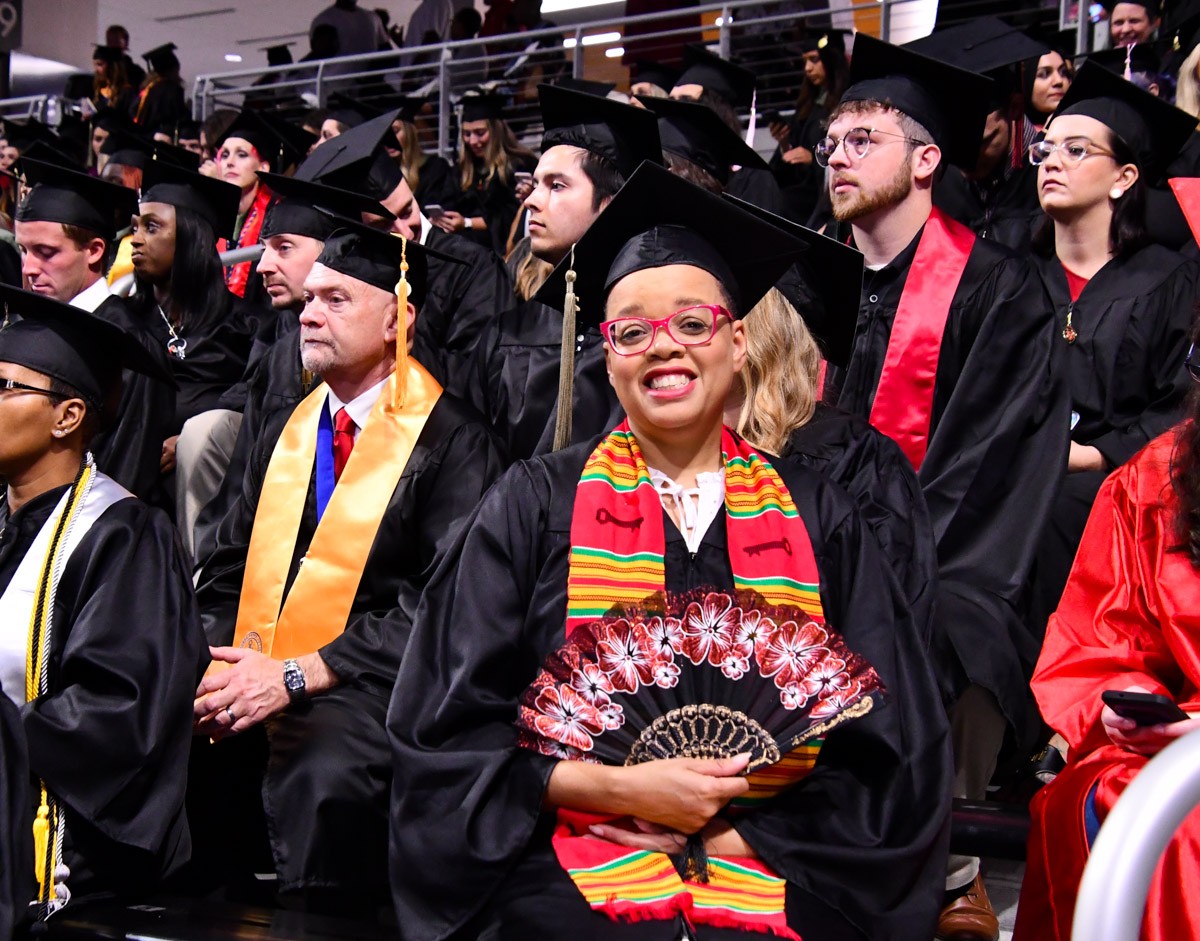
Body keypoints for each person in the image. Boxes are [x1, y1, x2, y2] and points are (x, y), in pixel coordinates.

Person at [389, 161, 952, 941]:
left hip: (787, 853)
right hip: (569, 852)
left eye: (693, 324)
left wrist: (738, 836)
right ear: (607, 351)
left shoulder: (821, 511)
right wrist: (609, 784)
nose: (666, 350)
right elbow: (444, 733)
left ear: (739, 338)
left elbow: (893, 741)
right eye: (632, 331)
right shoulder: (532, 502)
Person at [821, 35, 1070, 940]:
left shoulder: (1002, 290)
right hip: (803, 543)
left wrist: (873, 564)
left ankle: (952, 867)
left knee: (944, 629)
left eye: (866, 139)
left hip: (954, 559)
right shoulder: (807, 285)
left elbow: (986, 469)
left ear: (928, 160)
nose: (839, 155)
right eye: (834, 138)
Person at [191, 217, 502, 915]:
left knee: (324, 763)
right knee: (170, 721)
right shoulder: (285, 426)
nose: (310, 312)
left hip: (377, 679)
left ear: (399, 317)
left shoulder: (456, 442)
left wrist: (306, 671)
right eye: (310, 299)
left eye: (337, 300)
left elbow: (444, 602)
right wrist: (213, 659)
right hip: (261, 658)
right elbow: (226, 560)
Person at [0, 285, 201, 919]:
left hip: (56, 816)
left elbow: (119, 711)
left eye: (6, 386)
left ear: (67, 417)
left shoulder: (126, 535)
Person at [1012, 399, 1200, 941]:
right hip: (1178, 749)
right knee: (1100, 800)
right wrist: (1132, 703)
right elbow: (1103, 641)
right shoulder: (1162, 479)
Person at [1027, 62, 1199, 632]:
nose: (1051, 160)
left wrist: (1096, 454)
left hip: (1122, 484)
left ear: (1124, 177)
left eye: (1076, 150)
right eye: (1046, 148)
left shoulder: (1168, 280)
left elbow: (1179, 405)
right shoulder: (1012, 279)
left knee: (1056, 516)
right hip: (1018, 470)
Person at [190, 172, 396, 570]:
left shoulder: (414, 380)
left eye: (284, 248)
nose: (263, 265)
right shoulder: (281, 358)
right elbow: (238, 503)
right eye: (265, 249)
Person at [470, 84, 661, 461]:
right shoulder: (504, 335)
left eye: (557, 186)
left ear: (610, 205)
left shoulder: (654, 334)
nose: (531, 201)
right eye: (536, 184)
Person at [301, 108, 517, 396]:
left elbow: (480, 377)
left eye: (407, 210)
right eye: (384, 224)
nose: (404, 230)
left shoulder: (473, 267)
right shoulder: (354, 277)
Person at [14, 158, 175, 501]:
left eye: (46, 253)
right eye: (23, 250)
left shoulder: (130, 348)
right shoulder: (23, 328)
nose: (28, 269)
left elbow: (125, 477)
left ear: (94, 251)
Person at [128, 161, 257, 523]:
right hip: (132, 481)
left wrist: (187, 439)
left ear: (190, 237)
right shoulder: (125, 320)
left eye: (151, 227)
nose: (136, 238)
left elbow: (256, 406)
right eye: (136, 226)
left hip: (213, 492)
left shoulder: (247, 325)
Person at [912, 19, 1052, 251]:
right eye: (954, 145)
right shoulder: (939, 180)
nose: (965, 160)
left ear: (1015, 107)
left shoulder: (1050, 172)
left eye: (981, 143)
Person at [671, 44, 790, 218]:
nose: (674, 110)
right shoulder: (668, 165)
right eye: (672, 100)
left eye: (686, 101)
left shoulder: (752, 178)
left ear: (715, 113)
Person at [211, 111, 310, 302]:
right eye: (224, 155)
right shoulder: (213, 220)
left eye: (241, 155)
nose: (229, 162)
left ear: (263, 167)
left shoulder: (277, 216)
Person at [439, 91, 537, 255]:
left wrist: (468, 223)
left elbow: (511, 218)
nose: (472, 141)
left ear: (496, 131)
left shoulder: (520, 165)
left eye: (480, 133)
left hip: (502, 252)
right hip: (462, 250)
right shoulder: (461, 170)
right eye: (466, 133)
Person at [768, 30, 850, 223]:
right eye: (805, 61)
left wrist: (813, 159)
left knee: (782, 203)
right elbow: (792, 163)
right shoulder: (810, 102)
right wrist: (785, 143)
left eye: (814, 60)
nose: (807, 68)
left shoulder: (848, 102)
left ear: (831, 60)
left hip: (825, 195)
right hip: (805, 188)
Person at [130, 43, 187, 132]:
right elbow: (178, 118)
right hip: (162, 136)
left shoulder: (146, 89)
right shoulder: (172, 90)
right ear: (173, 69)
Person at [90, 44, 134, 113]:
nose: (96, 70)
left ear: (112, 67)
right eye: (95, 65)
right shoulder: (97, 91)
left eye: (100, 64)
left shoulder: (126, 93)